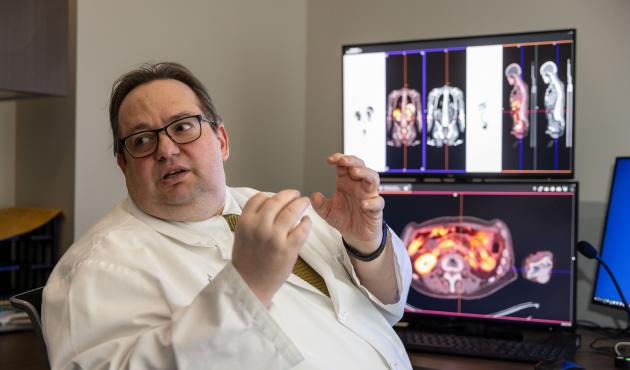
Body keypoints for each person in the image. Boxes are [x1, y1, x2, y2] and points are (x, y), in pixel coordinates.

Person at [42, 62, 412, 370]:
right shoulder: (98, 268)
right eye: (142, 140)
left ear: (221, 140)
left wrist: (367, 246)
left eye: (183, 127)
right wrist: (247, 287)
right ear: (123, 166)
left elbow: (387, 307)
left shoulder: (276, 208)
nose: (166, 150)